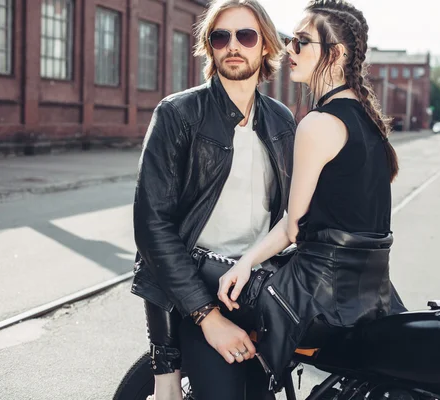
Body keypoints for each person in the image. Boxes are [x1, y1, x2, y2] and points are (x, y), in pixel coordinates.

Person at [179, 0, 405, 395]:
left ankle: (167, 377)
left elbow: (292, 225)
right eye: (289, 40)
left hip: (315, 293)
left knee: (189, 267)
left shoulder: (319, 123)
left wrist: (245, 262)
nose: (289, 51)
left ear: (335, 55)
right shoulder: (370, 121)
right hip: (370, 293)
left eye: (301, 42)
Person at [130, 0, 295, 398]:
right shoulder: (179, 113)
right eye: (221, 37)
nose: (233, 46)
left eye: (246, 35)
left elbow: (291, 215)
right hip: (197, 290)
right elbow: (152, 226)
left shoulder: (281, 120)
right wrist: (206, 316)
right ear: (210, 47)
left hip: (259, 289)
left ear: (266, 46)